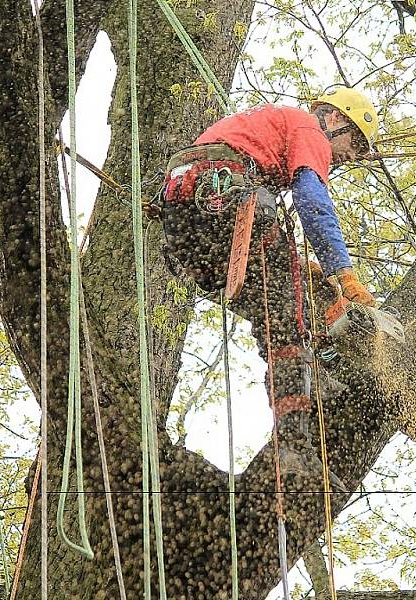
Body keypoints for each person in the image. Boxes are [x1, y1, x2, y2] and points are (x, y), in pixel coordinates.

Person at [159, 87, 379, 489]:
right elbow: (313, 202)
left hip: (186, 221)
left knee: (276, 307)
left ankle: (313, 369)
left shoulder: (268, 128)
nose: (350, 157)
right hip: (223, 193)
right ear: (336, 120)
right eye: (355, 144)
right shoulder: (310, 127)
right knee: (286, 318)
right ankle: (292, 444)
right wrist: (345, 276)